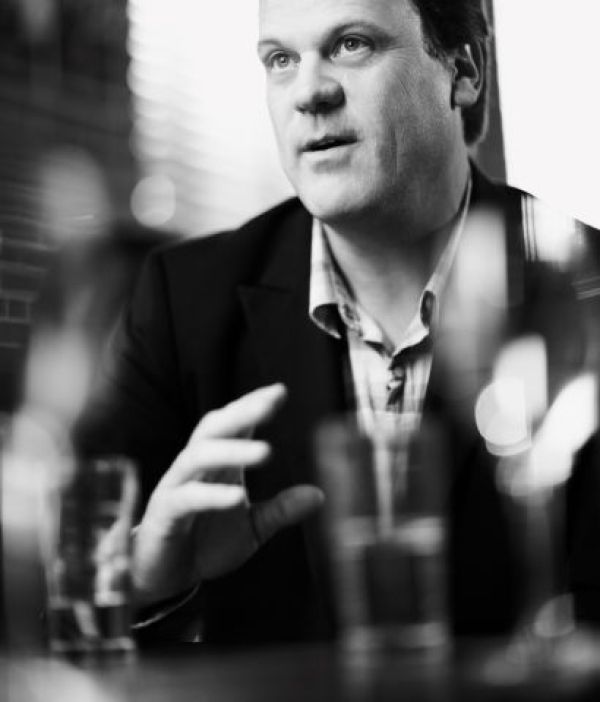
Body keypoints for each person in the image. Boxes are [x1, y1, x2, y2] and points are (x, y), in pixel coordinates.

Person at [79, 0, 600, 643]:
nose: (309, 93)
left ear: (463, 72)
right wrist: (145, 586)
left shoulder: (582, 288)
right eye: (280, 59)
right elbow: (61, 625)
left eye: (353, 44)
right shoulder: (180, 302)